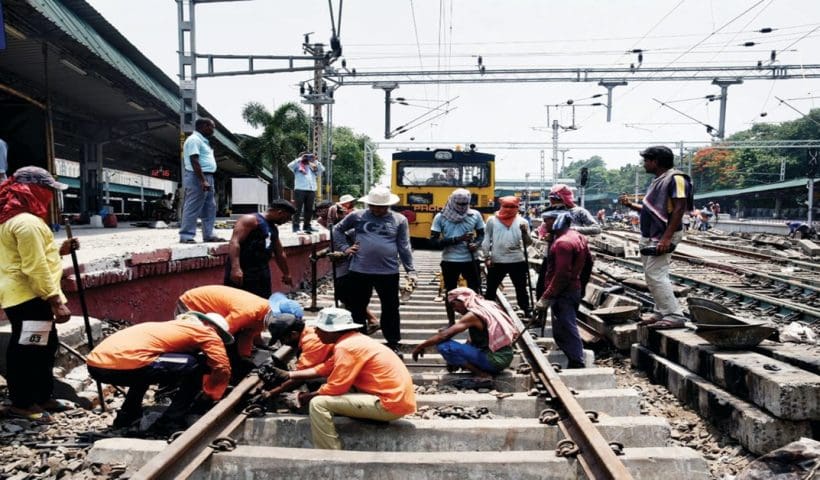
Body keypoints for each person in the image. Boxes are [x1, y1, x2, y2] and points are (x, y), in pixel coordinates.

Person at [272, 308, 416, 450]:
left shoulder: (346, 347)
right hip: (396, 399)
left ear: (331, 331)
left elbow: (335, 387)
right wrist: (288, 375)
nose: (315, 332)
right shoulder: (353, 340)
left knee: (318, 404)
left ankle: (329, 452)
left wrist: (304, 397)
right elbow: (324, 368)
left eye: (319, 329)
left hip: (389, 405)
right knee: (326, 391)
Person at [0, 166, 76, 422]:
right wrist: (55, 300)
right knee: (29, 350)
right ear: (34, 190)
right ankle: (22, 402)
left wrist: (60, 249)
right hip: (29, 296)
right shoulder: (27, 223)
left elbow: (35, 254)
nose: (50, 196)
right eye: (48, 190)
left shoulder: (16, 219)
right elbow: (34, 266)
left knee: (45, 345)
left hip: (25, 294)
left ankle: (43, 396)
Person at [86, 312, 233, 430]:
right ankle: (169, 421)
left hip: (95, 365)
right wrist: (212, 394)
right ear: (214, 328)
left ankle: (126, 416)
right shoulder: (207, 332)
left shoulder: (171, 327)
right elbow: (221, 367)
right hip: (126, 364)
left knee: (146, 366)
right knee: (198, 364)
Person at [332, 186, 416, 355]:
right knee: (357, 307)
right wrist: (345, 248)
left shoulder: (399, 220)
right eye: (374, 206)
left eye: (381, 207)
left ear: (388, 205)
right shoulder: (357, 216)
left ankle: (392, 342)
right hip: (360, 270)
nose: (377, 210)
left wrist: (410, 270)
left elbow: (404, 245)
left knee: (391, 307)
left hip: (389, 271)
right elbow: (337, 230)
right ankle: (358, 342)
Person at [619, 145, 693, 329]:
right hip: (652, 234)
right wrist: (630, 205)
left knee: (655, 274)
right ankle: (661, 311)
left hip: (663, 234)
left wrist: (666, 238)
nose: (644, 164)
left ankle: (674, 315)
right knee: (653, 274)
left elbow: (679, 208)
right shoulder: (658, 181)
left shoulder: (676, 179)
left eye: (646, 160)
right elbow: (650, 210)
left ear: (655, 161)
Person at [176, 286, 299, 382]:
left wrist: (245, 358)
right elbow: (219, 336)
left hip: (214, 310)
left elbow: (247, 334)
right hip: (193, 304)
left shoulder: (264, 316)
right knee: (197, 343)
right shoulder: (248, 312)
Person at [412, 287, 518, 380]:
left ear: (463, 299)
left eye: (454, 305)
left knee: (444, 345)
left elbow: (444, 336)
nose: (454, 309)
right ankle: (469, 366)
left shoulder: (473, 315)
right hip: (504, 357)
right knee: (467, 343)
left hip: (494, 361)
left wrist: (420, 346)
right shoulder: (488, 305)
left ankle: (481, 374)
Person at [534, 210, 593, 369]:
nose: (544, 224)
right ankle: (573, 358)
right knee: (563, 326)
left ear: (556, 220)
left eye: (547, 221)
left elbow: (562, 275)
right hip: (573, 289)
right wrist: (582, 285)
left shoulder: (562, 243)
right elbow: (589, 263)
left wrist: (546, 297)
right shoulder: (578, 237)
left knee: (566, 327)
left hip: (563, 292)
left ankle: (577, 362)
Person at [429, 189, 485, 324]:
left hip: (470, 259)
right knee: (451, 292)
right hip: (450, 261)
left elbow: (482, 234)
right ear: (452, 201)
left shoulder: (475, 215)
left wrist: (476, 244)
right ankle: (451, 322)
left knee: (474, 290)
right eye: (459, 204)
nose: (462, 207)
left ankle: (474, 319)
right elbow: (433, 242)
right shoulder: (441, 217)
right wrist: (457, 239)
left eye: (465, 204)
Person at [225, 199, 295, 298]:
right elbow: (234, 242)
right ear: (280, 212)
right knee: (239, 301)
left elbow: (279, 252)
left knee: (262, 302)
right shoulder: (251, 220)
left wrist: (287, 273)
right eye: (287, 217)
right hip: (244, 270)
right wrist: (236, 268)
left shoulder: (273, 229)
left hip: (261, 271)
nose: (287, 221)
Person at [481, 196, 532, 318]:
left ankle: (526, 308)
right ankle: (488, 310)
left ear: (517, 208)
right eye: (506, 206)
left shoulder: (523, 222)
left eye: (512, 207)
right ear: (501, 207)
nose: (509, 209)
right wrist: (486, 256)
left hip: (517, 259)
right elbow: (486, 239)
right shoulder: (492, 220)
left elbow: (528, 243)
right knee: (491, 287)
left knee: (521, 288)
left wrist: (524, 233)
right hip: (497, 259)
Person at [179, 118, 224, 244]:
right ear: (204, 126)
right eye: (212, 127)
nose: (213, 130)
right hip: (197, 176)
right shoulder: (194, 140)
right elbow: (194, 160)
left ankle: (209, 234)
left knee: (210, 207)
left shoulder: (204, 141)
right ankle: (186, 236)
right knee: (193, 205)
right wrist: (202, 180)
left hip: (208, 176)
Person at [288, 152, 325, 233]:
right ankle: (296, 227)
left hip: (311, 190)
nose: (308, 158)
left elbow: (322, 169)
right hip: (300, 189)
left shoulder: (313, 166)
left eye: (309, 156)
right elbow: (289, 165)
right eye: (306, 156)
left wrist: (315, 160)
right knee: (298, 209)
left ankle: (307, 226)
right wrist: (300, 158)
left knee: (309, 209)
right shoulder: (297, 165)